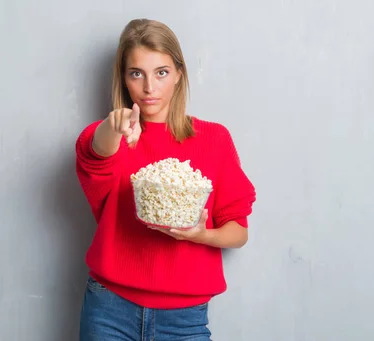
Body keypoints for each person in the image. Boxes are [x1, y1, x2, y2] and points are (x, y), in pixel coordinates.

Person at [75, 18, 256, 341]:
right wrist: (114, 126)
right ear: (123, 78)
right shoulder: (112, 137)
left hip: (184, 319)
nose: (149, 88)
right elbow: (95, 152)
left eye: (161, 72)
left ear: (178, 75)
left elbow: (238, 232)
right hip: (109, 309)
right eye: (136, 74)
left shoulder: (213, 139)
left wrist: (198, 235)